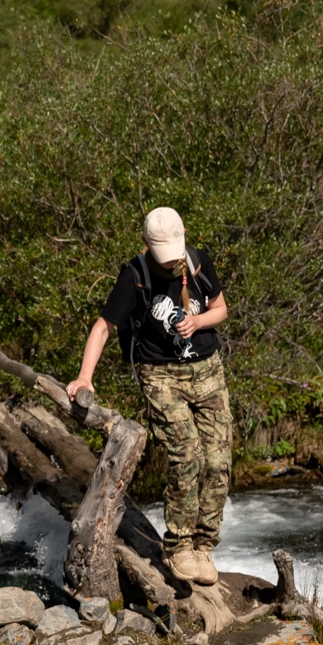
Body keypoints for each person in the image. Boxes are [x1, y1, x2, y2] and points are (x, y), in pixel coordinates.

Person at [66, 207, 233, 587]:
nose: (171, 261)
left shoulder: (199, 261)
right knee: (187, 452)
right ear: (146, 244)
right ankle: (178, 547)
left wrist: (199, 321)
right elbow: (103, 327)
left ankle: (203, 545)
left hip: (207, 370)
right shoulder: (135, 275)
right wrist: (84, 377)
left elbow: (221, 309)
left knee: (219, 460)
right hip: (159, 374)